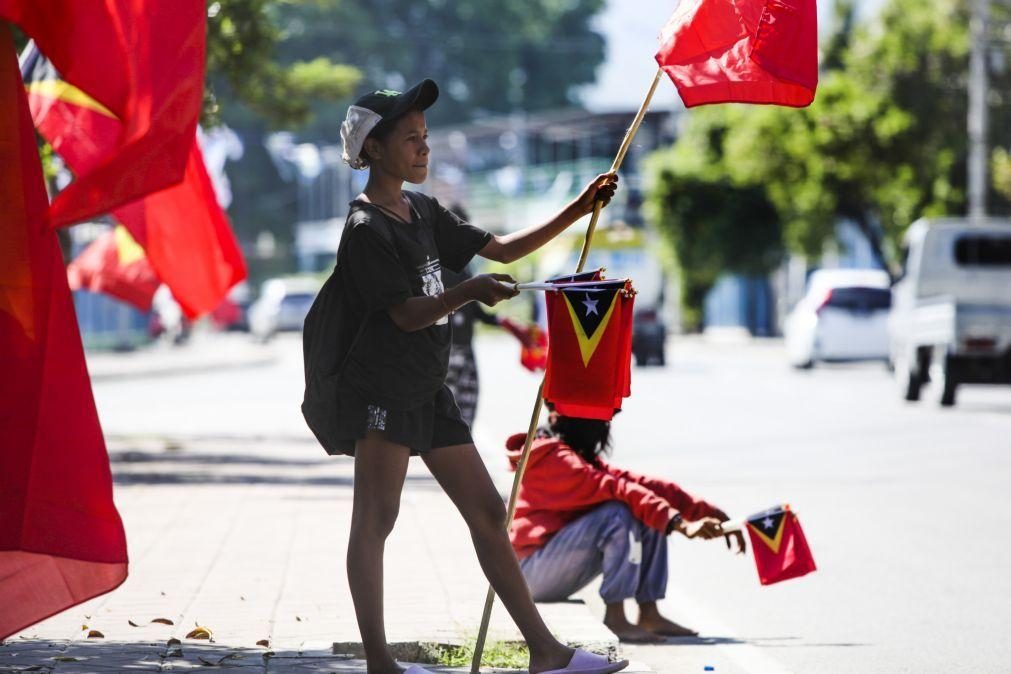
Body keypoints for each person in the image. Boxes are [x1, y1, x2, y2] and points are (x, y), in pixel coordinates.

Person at [302, 79, 622, 674]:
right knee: (376, 521)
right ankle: (379, 662)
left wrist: (579, 210)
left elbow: (500, 250)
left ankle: (545, 653)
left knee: (486, 510)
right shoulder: (365, 229)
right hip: (382, 392)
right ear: (371, 149)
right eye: (411, 139)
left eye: (426, 138)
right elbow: (405, 313)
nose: (424, 150)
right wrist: (467, 291)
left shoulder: (422, 209)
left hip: (428, 388)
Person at [505, 409, 746, 644]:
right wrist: (680, 524)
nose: (604, 428)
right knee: (617, 514)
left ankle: (649, 612)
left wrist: (709, 512)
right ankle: (615, 617)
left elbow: (642, 485)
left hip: (550, 565)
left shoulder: (575, 454)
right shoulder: (555, 459)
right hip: (530, 573)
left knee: (643, 506)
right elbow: (618, 488)